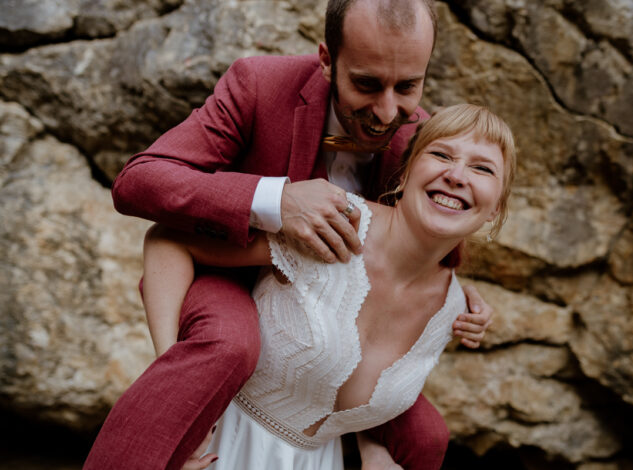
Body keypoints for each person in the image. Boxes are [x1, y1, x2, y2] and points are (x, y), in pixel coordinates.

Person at [84, 1, 494, 469]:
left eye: (408, 86)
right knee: (230, 343)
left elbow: (427, 243)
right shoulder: (257, 84)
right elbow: (140, 181)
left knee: (426, 435)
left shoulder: (421, 139)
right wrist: (275, 201)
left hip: (335, 324)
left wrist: (462, 297)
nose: (387, 111)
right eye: (366, 84)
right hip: (231, 270)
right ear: (326, 60)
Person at [142, 104, 516, 470]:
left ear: (496, 208)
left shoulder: (452, 311)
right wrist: (178, 397)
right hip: (220, 447)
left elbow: (334, 381)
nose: (457, 175)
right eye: (441, 155)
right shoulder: (331, 224)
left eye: (482, 168)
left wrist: (374, 449)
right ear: (404, 175)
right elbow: (170, 241)